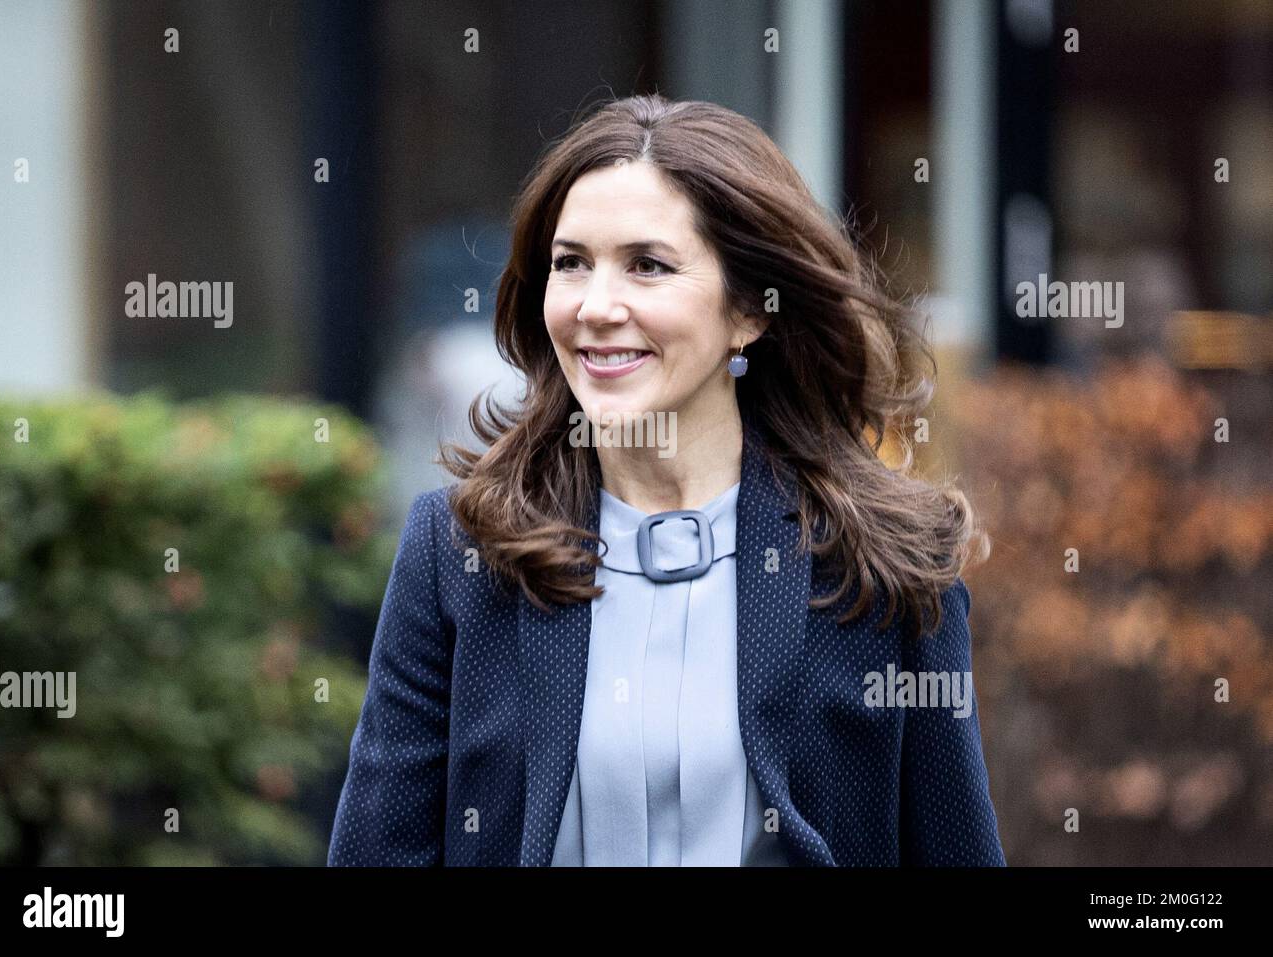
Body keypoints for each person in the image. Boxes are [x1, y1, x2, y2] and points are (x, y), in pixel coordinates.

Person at [328, 93, 1005, 867]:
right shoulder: (459, 552)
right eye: (571, 263)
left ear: (751, 310)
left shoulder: (885, 563)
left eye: (647, 265)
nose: (596, 306)